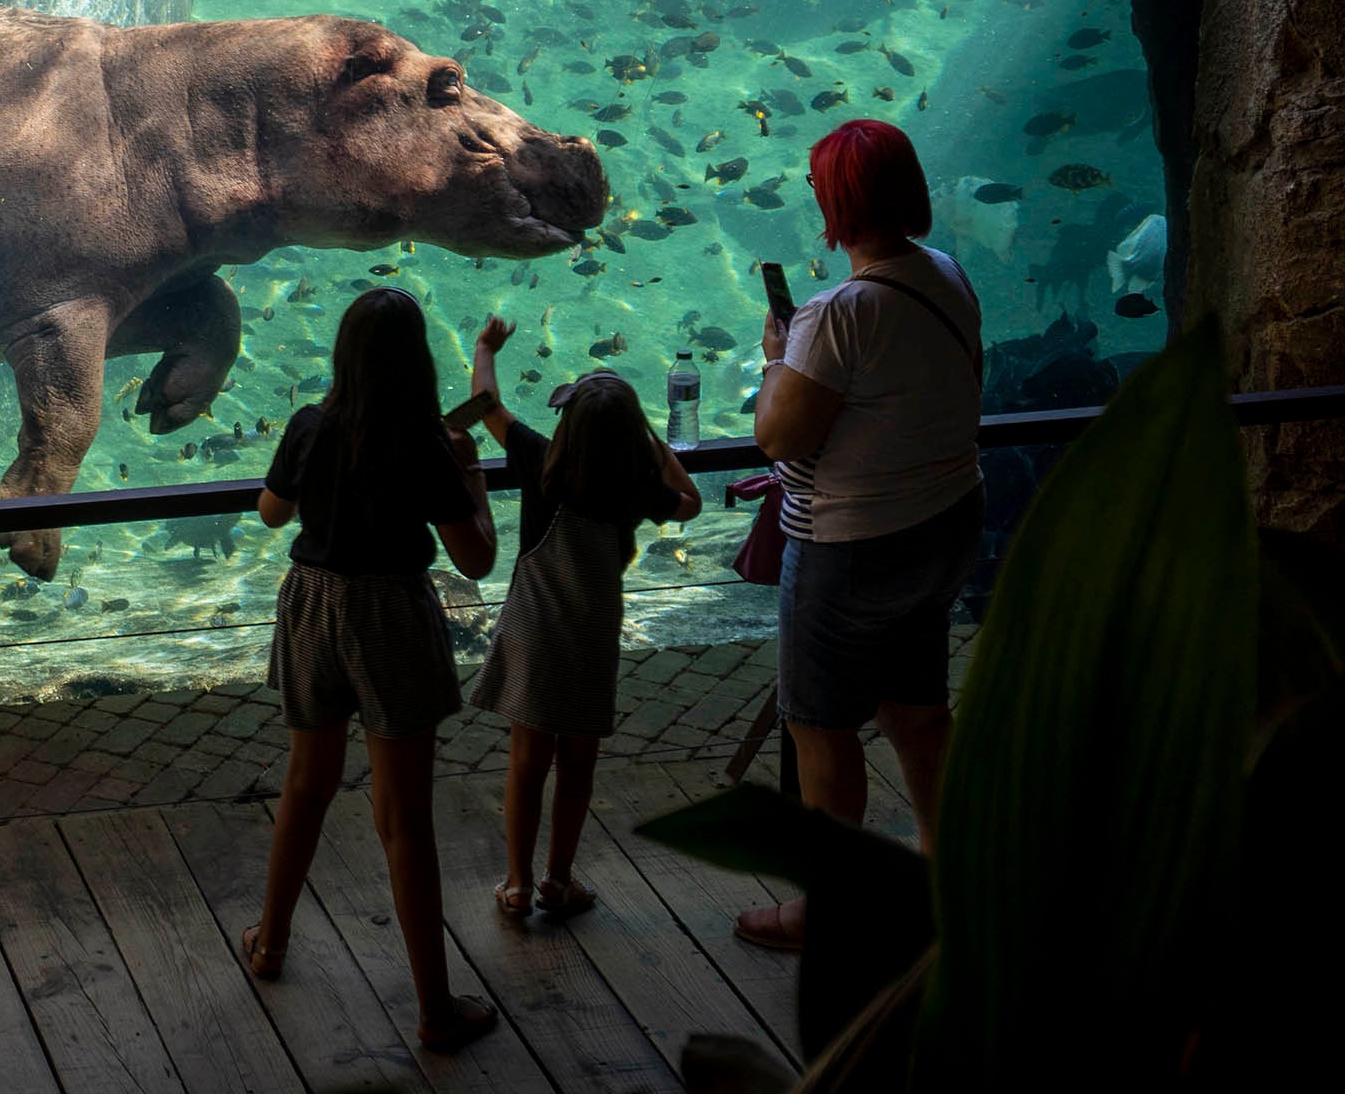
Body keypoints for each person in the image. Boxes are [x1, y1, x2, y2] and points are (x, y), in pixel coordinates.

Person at [735, 118, 984, 953]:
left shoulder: (837, 312)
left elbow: (780, 438)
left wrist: (777, 356)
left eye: (817, 189)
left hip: (851, 545)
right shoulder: (945, 275)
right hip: (943, 524)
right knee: (918, 710)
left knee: (820, 726)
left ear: (837, 203)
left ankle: (828, 910)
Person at [245, 287, 500, 1051]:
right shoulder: (424, 443)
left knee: (305, 784)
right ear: (417, 360)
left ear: (342, 356)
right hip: (390, 612)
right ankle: (434, 1009)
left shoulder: (310, 425)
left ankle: (270, 945)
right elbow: (477, 558)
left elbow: (270, 513)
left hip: (314, 605)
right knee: (404, 816)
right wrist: (474, 478)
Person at [465, 318, 700, 916]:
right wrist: (655, 446)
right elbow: (691, 503)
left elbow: (487, 408)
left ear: (566, 424)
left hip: (534, 636)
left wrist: (485, 348)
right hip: (590, 640)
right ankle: (558, 877)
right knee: (577, 765)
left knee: (526, 763)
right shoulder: (638, 487)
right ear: (632, 437)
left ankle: (516, 884)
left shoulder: (543, 465)